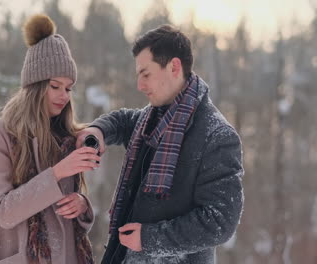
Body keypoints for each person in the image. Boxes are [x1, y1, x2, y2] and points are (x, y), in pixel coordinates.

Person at [76, 25, 244, 264]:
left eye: (146, 74)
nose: (140, 86)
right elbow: (124, 121)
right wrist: (98, 130)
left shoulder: (216, 136)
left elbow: (220, 222)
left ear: (174, 67)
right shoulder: (153, 119)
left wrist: (150, 238)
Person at [0, 14, 100, 264]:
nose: (64, 95)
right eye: (55, 86)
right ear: (35, 87)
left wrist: (81, 204)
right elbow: (3, 212)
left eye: (68, 88)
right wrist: (57, 173)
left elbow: (72, 218)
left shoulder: (69, 138)